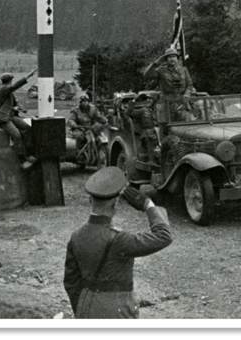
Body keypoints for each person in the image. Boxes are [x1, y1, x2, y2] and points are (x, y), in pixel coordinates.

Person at [64, 167, 173, 319]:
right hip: (118, 311)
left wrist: (83, 307)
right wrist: (148, 205)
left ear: (90, 200)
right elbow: (164, 235)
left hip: (86, 307)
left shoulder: (76, 236)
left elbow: (70, 281)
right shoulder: (119, 240)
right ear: (115, 205)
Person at [0, 70, 37, 170]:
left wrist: (17, 108)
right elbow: (15, 86)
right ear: (9, 81)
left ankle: (28, 153)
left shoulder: (6, 90)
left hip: (10, 116)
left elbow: (12, 103)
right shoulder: (3, 89)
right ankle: (22, 160)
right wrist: (27, 76)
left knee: (26, 128)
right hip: (3, 119)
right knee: (17, 134)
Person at [143, 47, 193, 120]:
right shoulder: (161, 71)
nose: (172, 59)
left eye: (174, 57)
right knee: (166, 126)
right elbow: (147, 75)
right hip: (167, 103)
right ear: (166, 59)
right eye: (169, 57)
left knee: (185, 124)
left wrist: (187, 94)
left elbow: (189, 84)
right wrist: (156, 62)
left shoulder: (183, 70)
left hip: (182, 102)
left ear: (177, 58)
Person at [68, 95, 109, 166]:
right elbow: (71, 119)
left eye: (86, 101)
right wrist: (74, 124)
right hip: (79, 128)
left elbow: (98, 117)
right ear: (80, 102)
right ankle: (78, 154)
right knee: (79, 137)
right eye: (83, 102)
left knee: (99, 137)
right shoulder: (75, 110)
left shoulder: (93, 109)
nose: (85, 103)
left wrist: (104, 120)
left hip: (91, 128)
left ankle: (99, 153)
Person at [123, 93, 159, 164]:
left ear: (155, 100)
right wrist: (134, 100)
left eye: (150, 99)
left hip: (161, 131)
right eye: (147, 99)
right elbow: (129, 112)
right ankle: (152, 161)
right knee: (150, 135)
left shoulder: (161, 109)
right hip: (149, 132)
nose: (148, 100)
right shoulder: (143, 110)